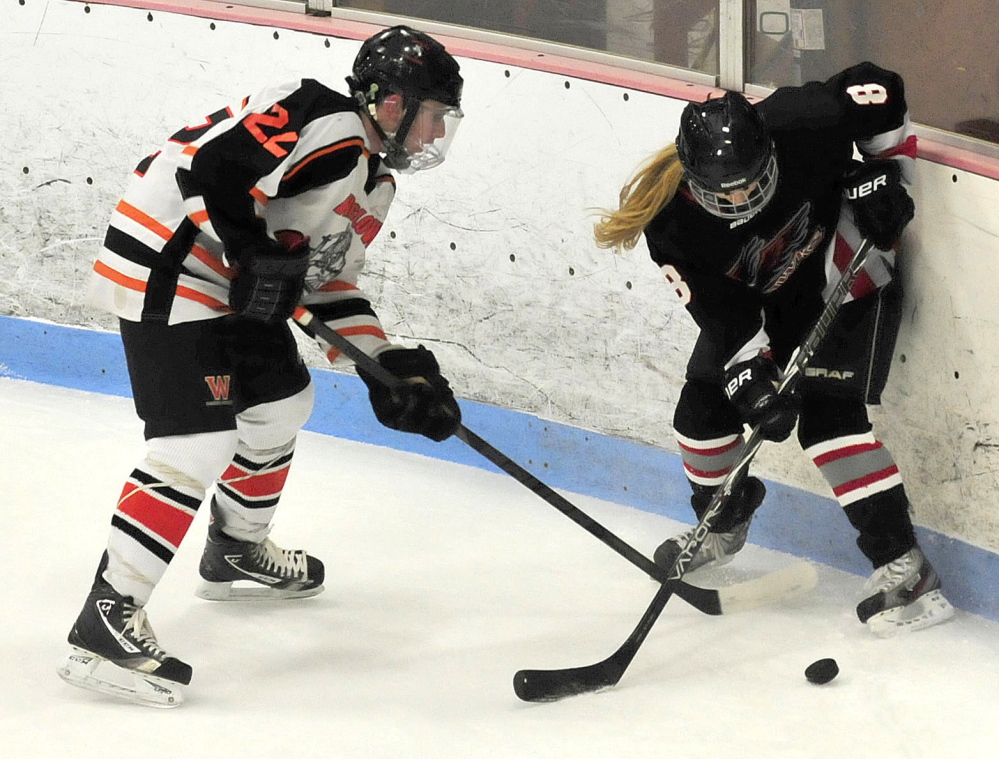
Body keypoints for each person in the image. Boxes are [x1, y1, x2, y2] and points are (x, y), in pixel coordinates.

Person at [58, 25, 465, 707]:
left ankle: (235, 549)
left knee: (281, 403)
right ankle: (106, 615)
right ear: (391, 102)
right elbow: (212, 170)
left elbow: (328, 286)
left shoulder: (374, 181)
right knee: (198, 438)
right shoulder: (320, 115)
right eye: (432, 116)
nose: (433, 135)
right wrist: (251, 251)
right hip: (170, 259)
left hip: (228, 279)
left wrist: (387, 365)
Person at [593, 62, 955, 637]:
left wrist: (889, 176)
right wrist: (754, 384)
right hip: (767, 303)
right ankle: (725, 524)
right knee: (701, 415)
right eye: (722, 189)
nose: (737, 196)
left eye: (749, 181)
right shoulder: (670, 226)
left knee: (827, 421)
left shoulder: (802, 121)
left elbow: (876, 83)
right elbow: (727, 319)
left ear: (769, 154)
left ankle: (905, 568)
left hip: (844, 268)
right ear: (691, 177)